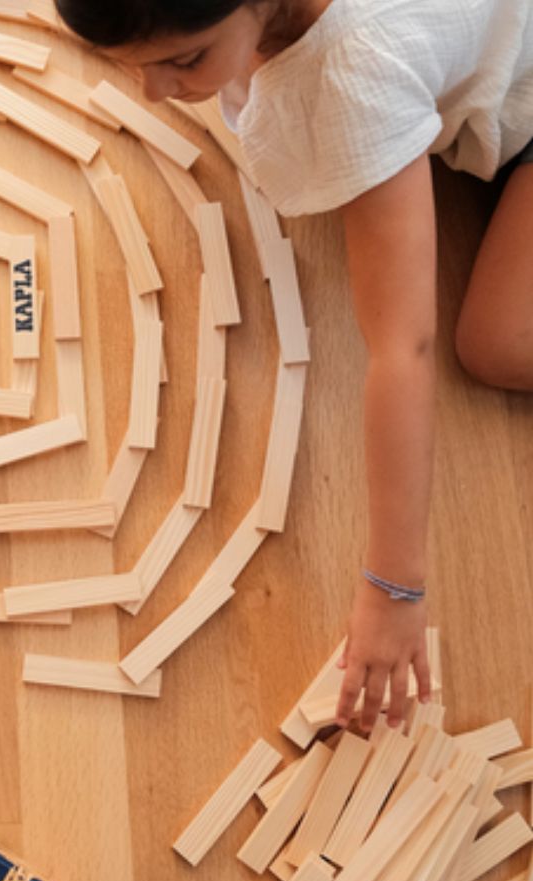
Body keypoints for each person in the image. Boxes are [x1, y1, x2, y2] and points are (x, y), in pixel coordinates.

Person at [54, 0, 533, 729]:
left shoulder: (351, 74)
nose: (151, 91)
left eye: (183, 61)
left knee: (498, 343)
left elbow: (403, 346)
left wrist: (393, 589)